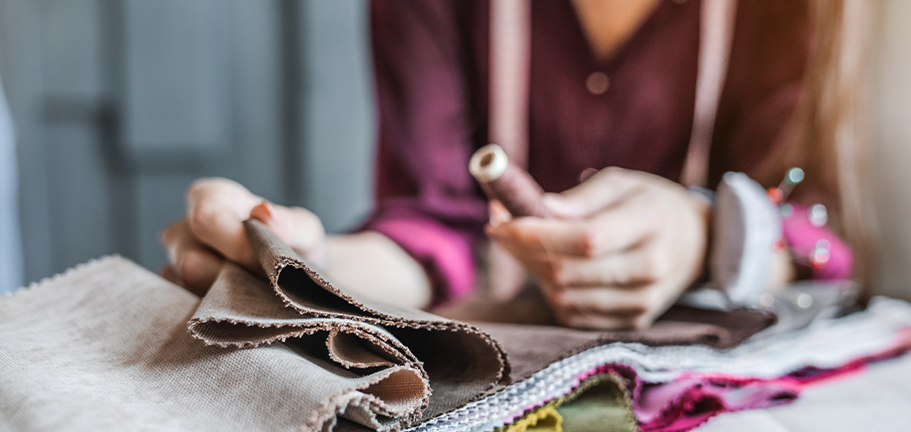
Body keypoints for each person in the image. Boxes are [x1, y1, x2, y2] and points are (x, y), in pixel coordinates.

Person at [162, 0, 865, 329]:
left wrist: (704, 236)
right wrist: (311, 269)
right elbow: (434, 230)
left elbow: (814, 232)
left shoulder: (792, 13)